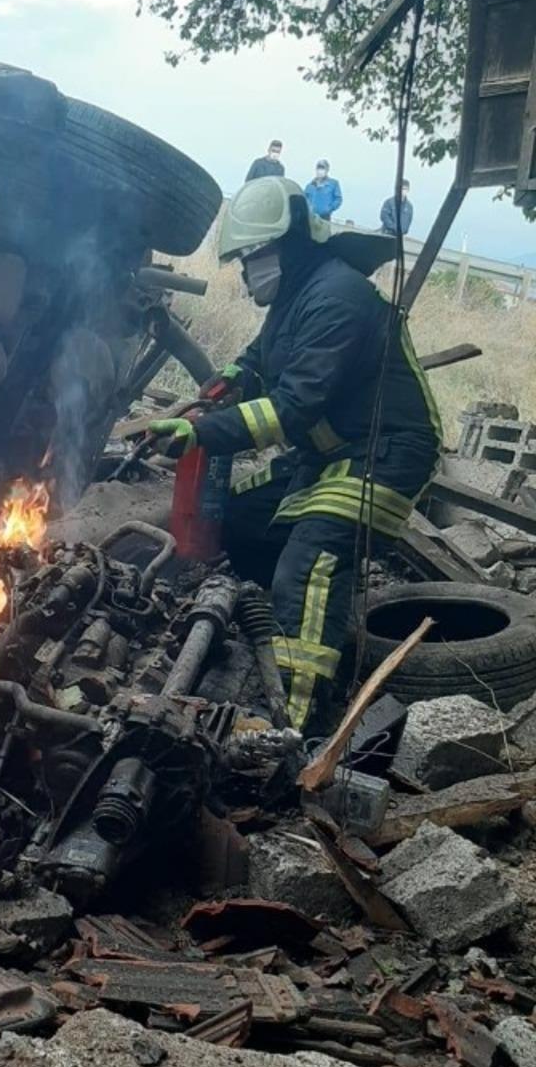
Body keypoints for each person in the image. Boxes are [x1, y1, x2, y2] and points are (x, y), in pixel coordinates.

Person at [141, 177, 441, 731]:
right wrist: (229, 379)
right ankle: (266, 629)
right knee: (240, 519)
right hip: (328, 454)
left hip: (386, 455)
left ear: (287, 244)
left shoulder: (338, 297)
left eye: (251, 256)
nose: (245, 270)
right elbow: (259, 356)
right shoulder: (296, 295)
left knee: (308, 564)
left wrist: (201, 434)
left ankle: (288, 721)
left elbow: (292, 409)